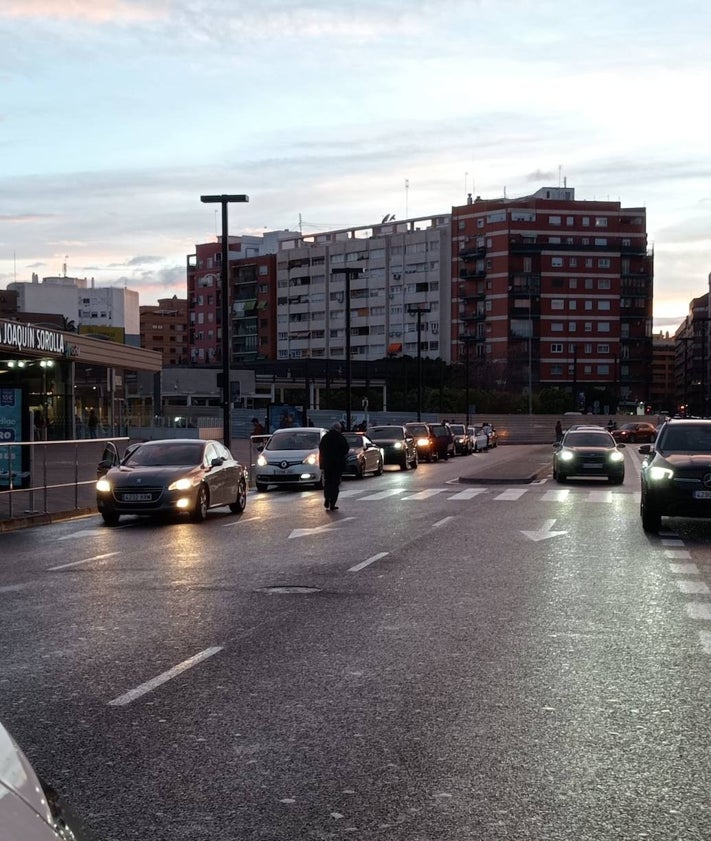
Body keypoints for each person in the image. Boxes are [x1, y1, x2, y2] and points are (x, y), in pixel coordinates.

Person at [318, 422, 349, 512]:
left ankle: (327, 498)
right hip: (337, 465)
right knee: (335, 484)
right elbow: (346, 449)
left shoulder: (325, 437)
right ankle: (332, 503)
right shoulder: (340, 437)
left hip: (327, 464)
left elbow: (321, 448)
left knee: (328, 482)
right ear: (339, 429)